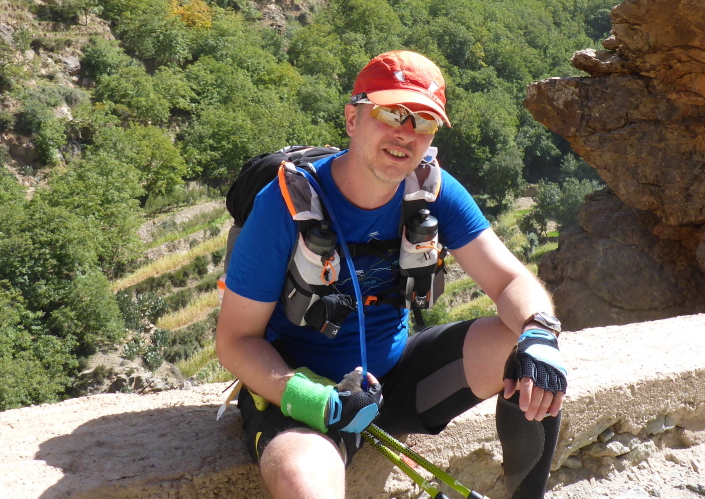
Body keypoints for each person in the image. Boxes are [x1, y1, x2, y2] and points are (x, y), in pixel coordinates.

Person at [216, 50, 567, 499]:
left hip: (397, 380)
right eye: (391, 113)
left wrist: (539, 334)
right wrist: (317, 401)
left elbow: (511, 281)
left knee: (532, 355)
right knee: (303, 480)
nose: (406, 133)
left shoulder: (432, 191)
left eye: (424, 121)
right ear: (352, 119)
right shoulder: (283, 205)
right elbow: (235, 340)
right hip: (302, 391)